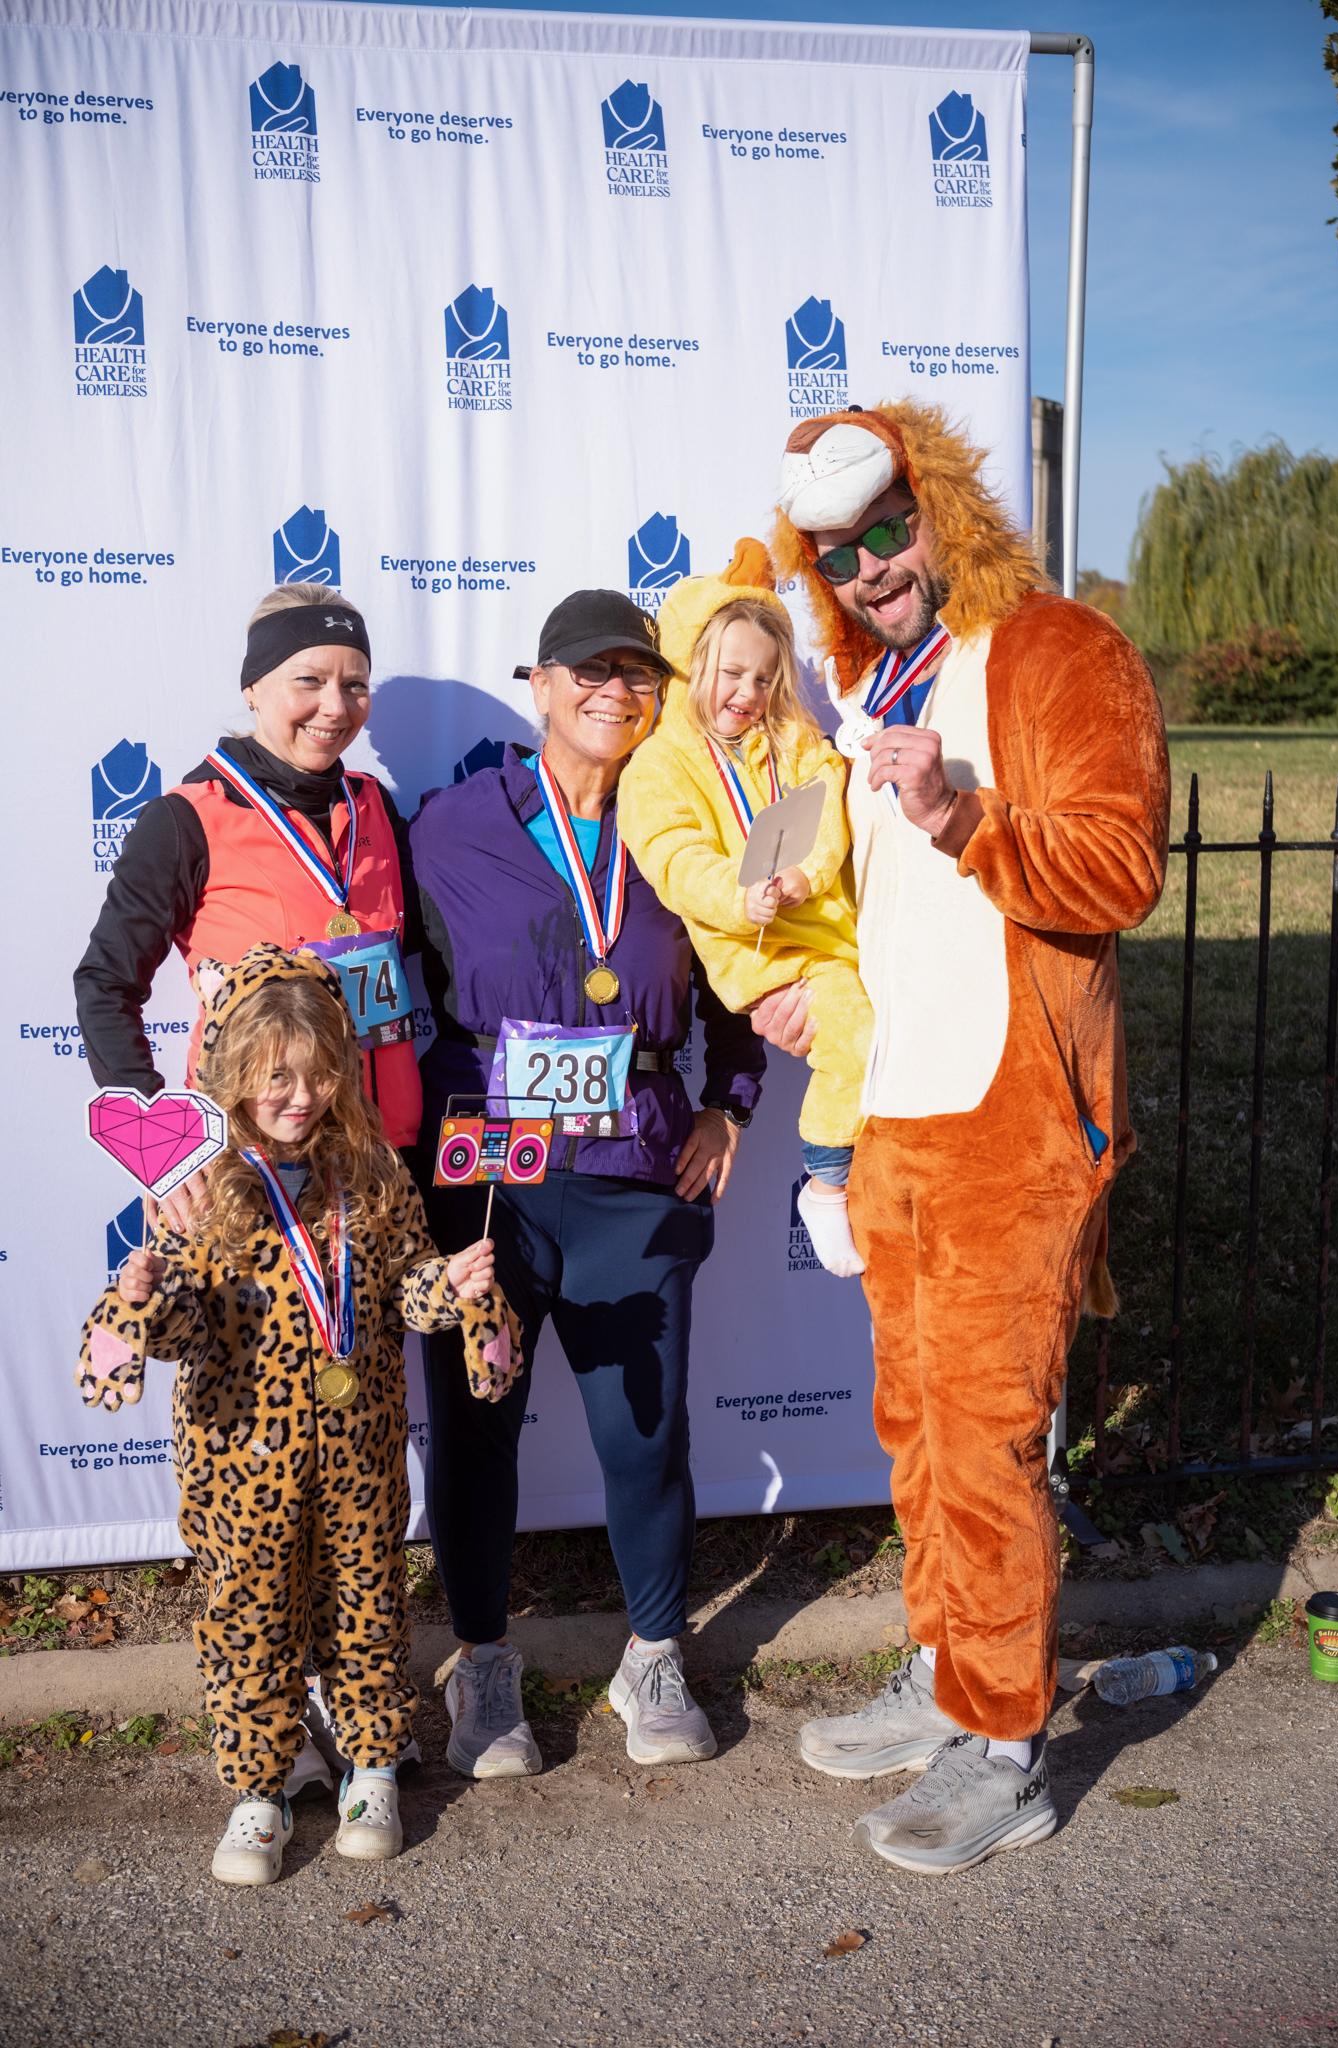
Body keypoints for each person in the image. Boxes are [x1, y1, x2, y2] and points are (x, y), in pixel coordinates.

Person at [753, 402, 1169, 1874]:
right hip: (898, 1123)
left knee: (991, 1449)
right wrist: (803, 976)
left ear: (946, 512)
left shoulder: (1059, 650)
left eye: (890, 527)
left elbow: (1119, 868)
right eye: (840, 550)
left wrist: (961, 811)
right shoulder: (870, 686)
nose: (872, 565)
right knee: (916, 1435)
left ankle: (1006, 1746)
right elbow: (872, 917)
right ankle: (945, 1672)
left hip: (1014, 1122)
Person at [410, 587, 765, 1779]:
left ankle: (654, 1652)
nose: (614, 691)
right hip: (489, 1178)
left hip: (637, 1169)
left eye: (636, 674)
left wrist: (732, 1102)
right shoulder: (450, 826)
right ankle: (483, 1663)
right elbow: (373, 967)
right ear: (542, 685)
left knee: (644, 1435)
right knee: (475, 1430)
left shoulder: (687, 820)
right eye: (588, 671)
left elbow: (751, 976)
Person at [77, 945, 519, 1887]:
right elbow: (188, 1326)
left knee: (367, 1604)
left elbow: (404, 1286)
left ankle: (370, 1765)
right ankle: (259, 1788)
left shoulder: (370, 1170)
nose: (299, 1096)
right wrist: (150, 1301)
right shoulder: (198, 1187)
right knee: (251, 1618)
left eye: (319, 1073)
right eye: (275, 1076)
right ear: (232, 1072)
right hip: (240, 1460)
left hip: (358, 1451)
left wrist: (456, 1282)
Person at [74, 582, 422, 1158]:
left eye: (355, 685)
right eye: (309, 680)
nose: (336, 707)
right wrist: (157, 1145)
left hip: (382, 1171)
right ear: (254, 689)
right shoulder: (187, 818)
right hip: (253, 1173)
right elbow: (105, 983)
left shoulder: (374, 806)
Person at [616, 538, 872, 1277]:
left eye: (763, 677)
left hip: (834, 932)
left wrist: (805, 873)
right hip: (767, 955)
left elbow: (825, 811)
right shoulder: (658, 767)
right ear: (690, 665)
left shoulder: (790, 738)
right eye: (730, 673)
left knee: (892, 1055)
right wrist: (741, 895)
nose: (747, 693)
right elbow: (674, 859)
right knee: (854, 1046)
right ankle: (826, 1182)